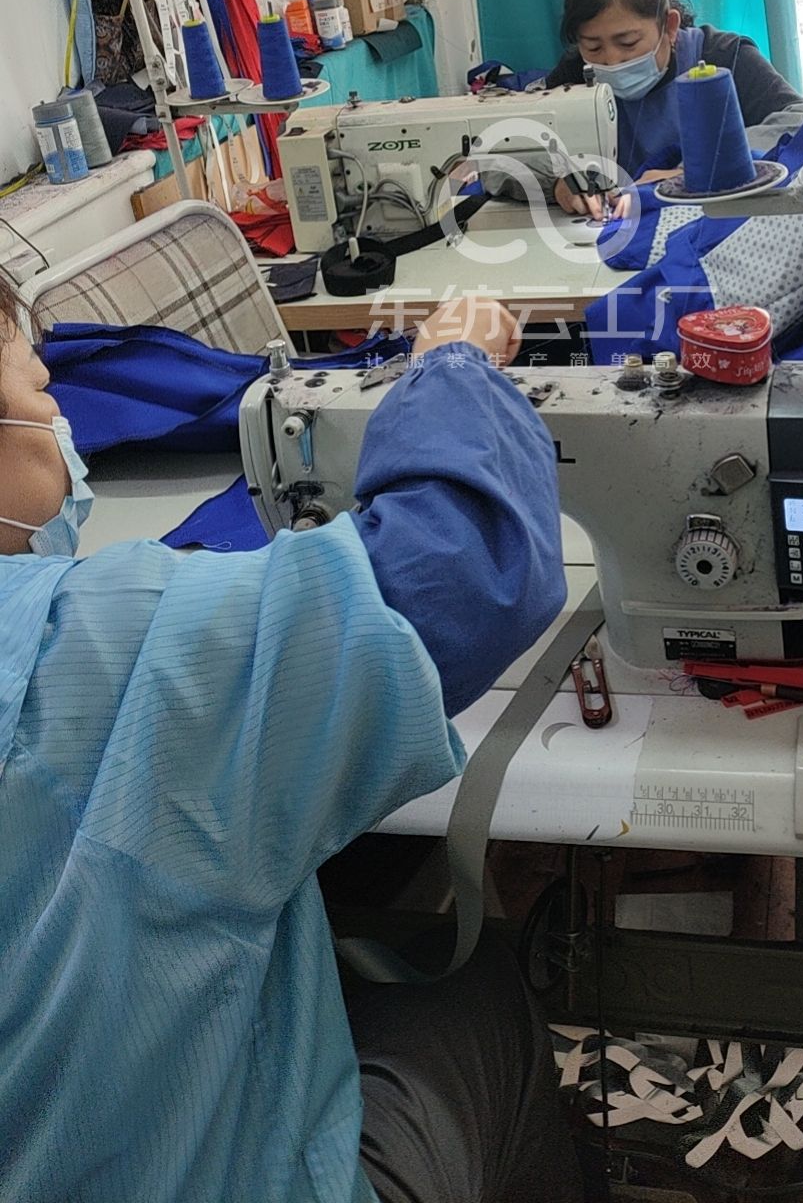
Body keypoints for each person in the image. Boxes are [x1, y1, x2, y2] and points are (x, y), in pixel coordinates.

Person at [0, 275, 583, 1203]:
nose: (61, 419)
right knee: (482, 997)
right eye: (39, 392)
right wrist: (452, 363)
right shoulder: (96, 648)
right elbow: (469, 570)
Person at [546, 0, 803, 215]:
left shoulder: (724, 56)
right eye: (593, 47)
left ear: (670, 26)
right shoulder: (574, 74)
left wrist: (698, 170)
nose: (611, 61)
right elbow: (525, 148)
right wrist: (557, 183)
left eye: (628, 43)